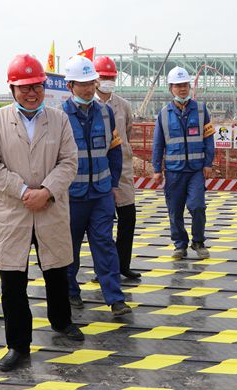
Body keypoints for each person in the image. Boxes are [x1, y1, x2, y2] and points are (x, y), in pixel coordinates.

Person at [0, 54, 84, 372]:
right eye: (24, 87)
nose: (31, 93)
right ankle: (18, 345)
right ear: (12, 88)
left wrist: (47, 191)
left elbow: (69, 161)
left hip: (50, 207)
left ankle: (61, 321)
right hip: (14, 210)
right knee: (13, 279)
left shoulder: (58, 119)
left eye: (36, 86)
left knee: (56, 270)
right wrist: (24, 191)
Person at [61, 55, 131, 316]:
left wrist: (113, 184)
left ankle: (115, 298)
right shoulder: (59, 117)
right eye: (82, 84)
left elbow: (115, 151)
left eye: (91, 83)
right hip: (72, 196)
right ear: (70, 86)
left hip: (101, 193)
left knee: (104, 244)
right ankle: (70, 291)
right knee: (69, 246)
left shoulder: (106, 112)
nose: (88, 89)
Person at [152, 66, 215, 260]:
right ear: (170, 88)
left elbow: (208, 139)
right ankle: (180, 244)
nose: (182, 89)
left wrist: (208, 163)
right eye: (178, 86)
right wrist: (156, 169)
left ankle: (198, 241)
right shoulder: (164, 114)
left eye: (185, 85)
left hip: (195, 170)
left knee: (197, 206)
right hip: (174, 172)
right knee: (175, 210)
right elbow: (158, 143)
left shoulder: (201, 110)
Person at [94, 55, 141, 280]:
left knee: (127, 218)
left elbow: (126, 133)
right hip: (96, 172)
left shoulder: (123, 106)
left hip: (122, 170)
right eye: (104, 77)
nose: (108, 81)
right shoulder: (89, 105)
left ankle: (123, 265)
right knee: (101, 225)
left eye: (111, 77)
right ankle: (104, 269)